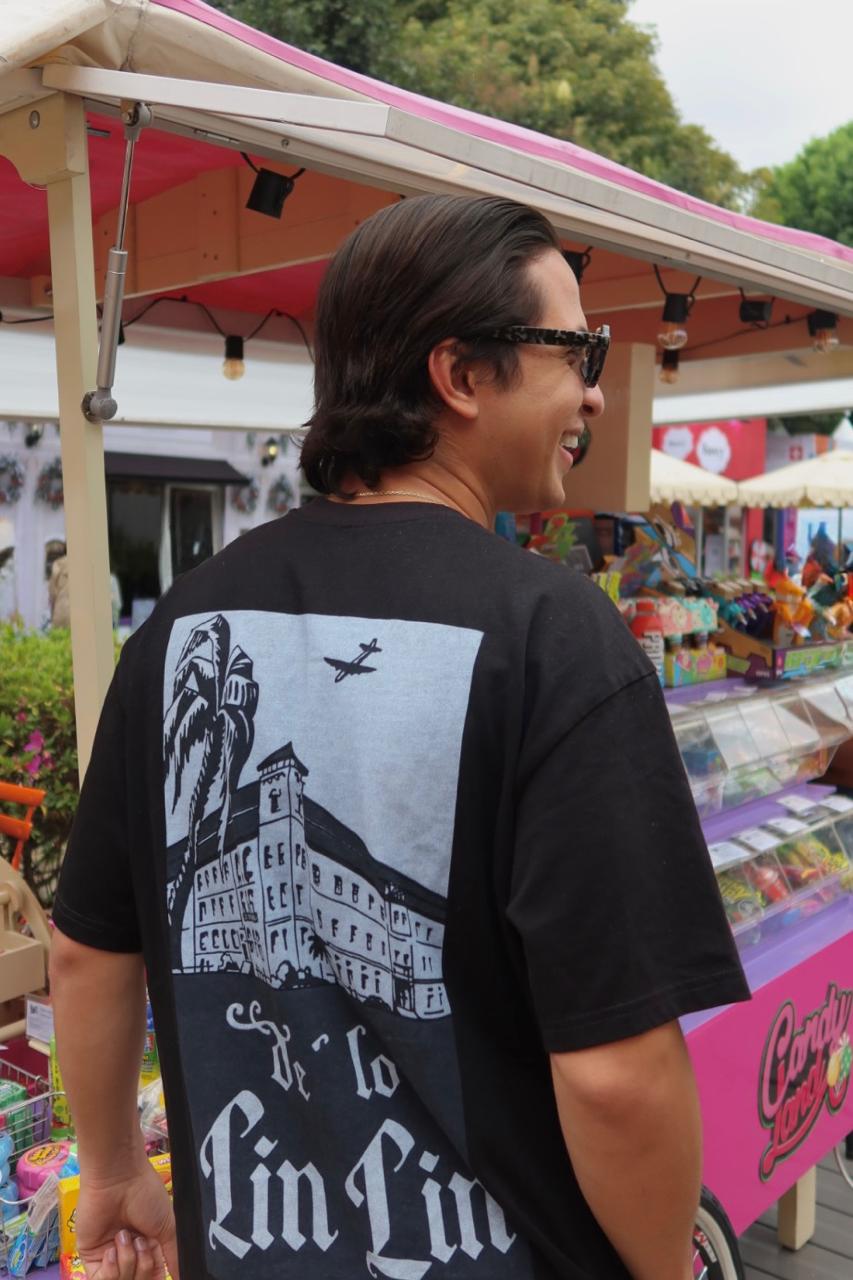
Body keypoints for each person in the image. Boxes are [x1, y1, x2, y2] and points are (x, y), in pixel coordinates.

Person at [50, 194, 749, 1280]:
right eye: (575, 352)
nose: (595, 391)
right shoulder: (552, 635)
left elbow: (87, 948)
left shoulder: (185, 623)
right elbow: (614, 1074)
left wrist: (109, 1173)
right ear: (460, 374)